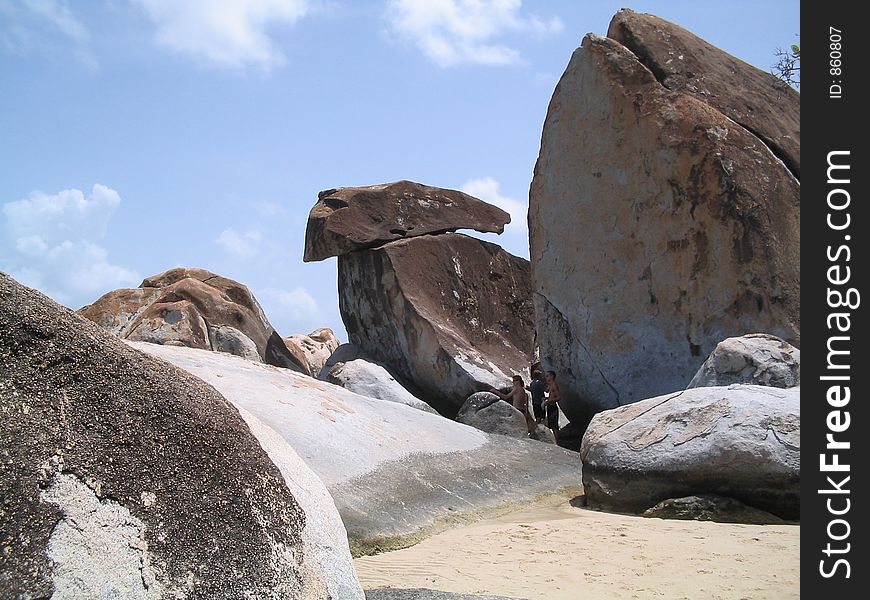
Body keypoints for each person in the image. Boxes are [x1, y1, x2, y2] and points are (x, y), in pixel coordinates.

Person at [544, 370, 561, 434]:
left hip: (553, 407)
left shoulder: (554, 385)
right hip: (550, 407)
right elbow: (553, 396)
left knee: (554, 427)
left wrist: (549, 401)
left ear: (552, 376)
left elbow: (558, 397)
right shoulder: (550, 385)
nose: (546, 378)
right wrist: (547, 398)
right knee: (551, 426)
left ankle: (557, 442)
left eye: (547, 376)